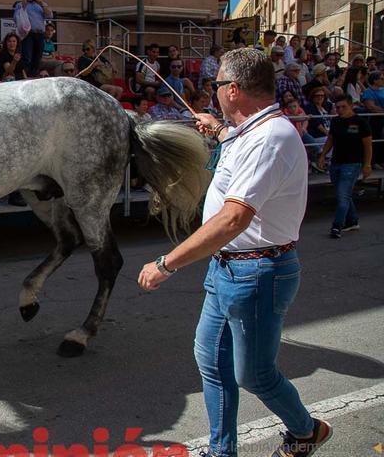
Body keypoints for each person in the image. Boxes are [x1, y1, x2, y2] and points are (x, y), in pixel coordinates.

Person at [139, 48, 333, 457]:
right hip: (229, 268)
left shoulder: (270, 138)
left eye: (217, 85)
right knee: (211, 361)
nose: (213, 92)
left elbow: (232, 220)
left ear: (233, 90)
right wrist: (219, 131)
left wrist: (166, 264)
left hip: (257, 272)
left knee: (255, 375)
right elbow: (239, 148)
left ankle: (306, 431)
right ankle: (221, 451)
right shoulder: (250, 132)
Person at [318, 96, 373, 238]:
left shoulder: (360, 122)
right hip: (336, 162)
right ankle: (352, 220)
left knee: (342, 196)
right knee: (343, 194)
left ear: (351, 106)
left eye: (343, 107)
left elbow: (368, 146)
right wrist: (323, 155)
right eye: (338, 107)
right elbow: (330, 139)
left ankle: (337, 226)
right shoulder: (336, 121)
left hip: (352, 164)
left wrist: (367, 164)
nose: (340, 110)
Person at [13, 0, 52, 77]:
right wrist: (23, 7)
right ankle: (25, 77)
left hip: (40, 34)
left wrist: (41, 3)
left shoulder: (41, 4)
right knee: (27, 58)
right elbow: (16, 18)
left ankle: (34, 77)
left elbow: (50, 15)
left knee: (37, 59)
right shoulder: (20, 4)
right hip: (28, 34)